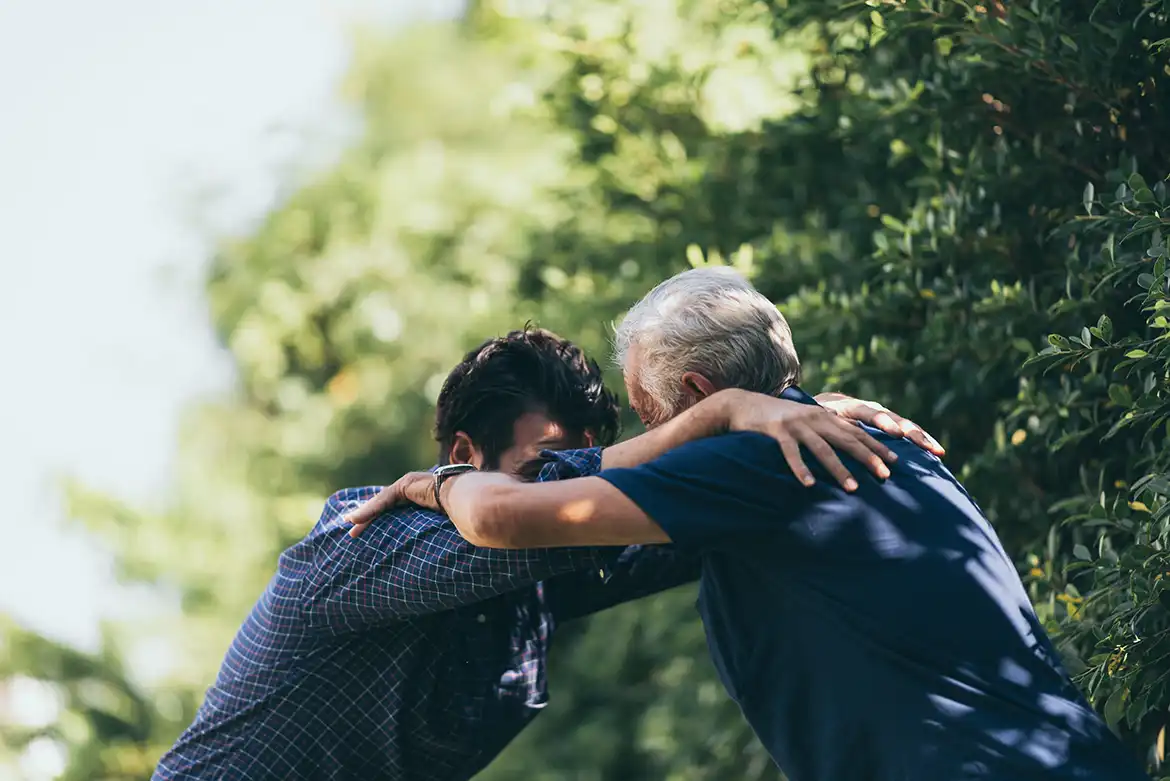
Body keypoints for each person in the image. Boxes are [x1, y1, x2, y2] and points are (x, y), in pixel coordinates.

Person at [358, 271, 1150, 781]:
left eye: (646, 413)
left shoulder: (747, 462)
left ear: (698, 392)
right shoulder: (860, 445)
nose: (647, 438)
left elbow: (500, 516)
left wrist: (432, 482)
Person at [154, 326, 935, 781]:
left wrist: (800, 421)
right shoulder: (367, 534)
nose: (561, 489)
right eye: (541, 467)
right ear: (465, 452)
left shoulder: (535, 576)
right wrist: (726, 414)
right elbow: (566, 502)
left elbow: (700, 511)